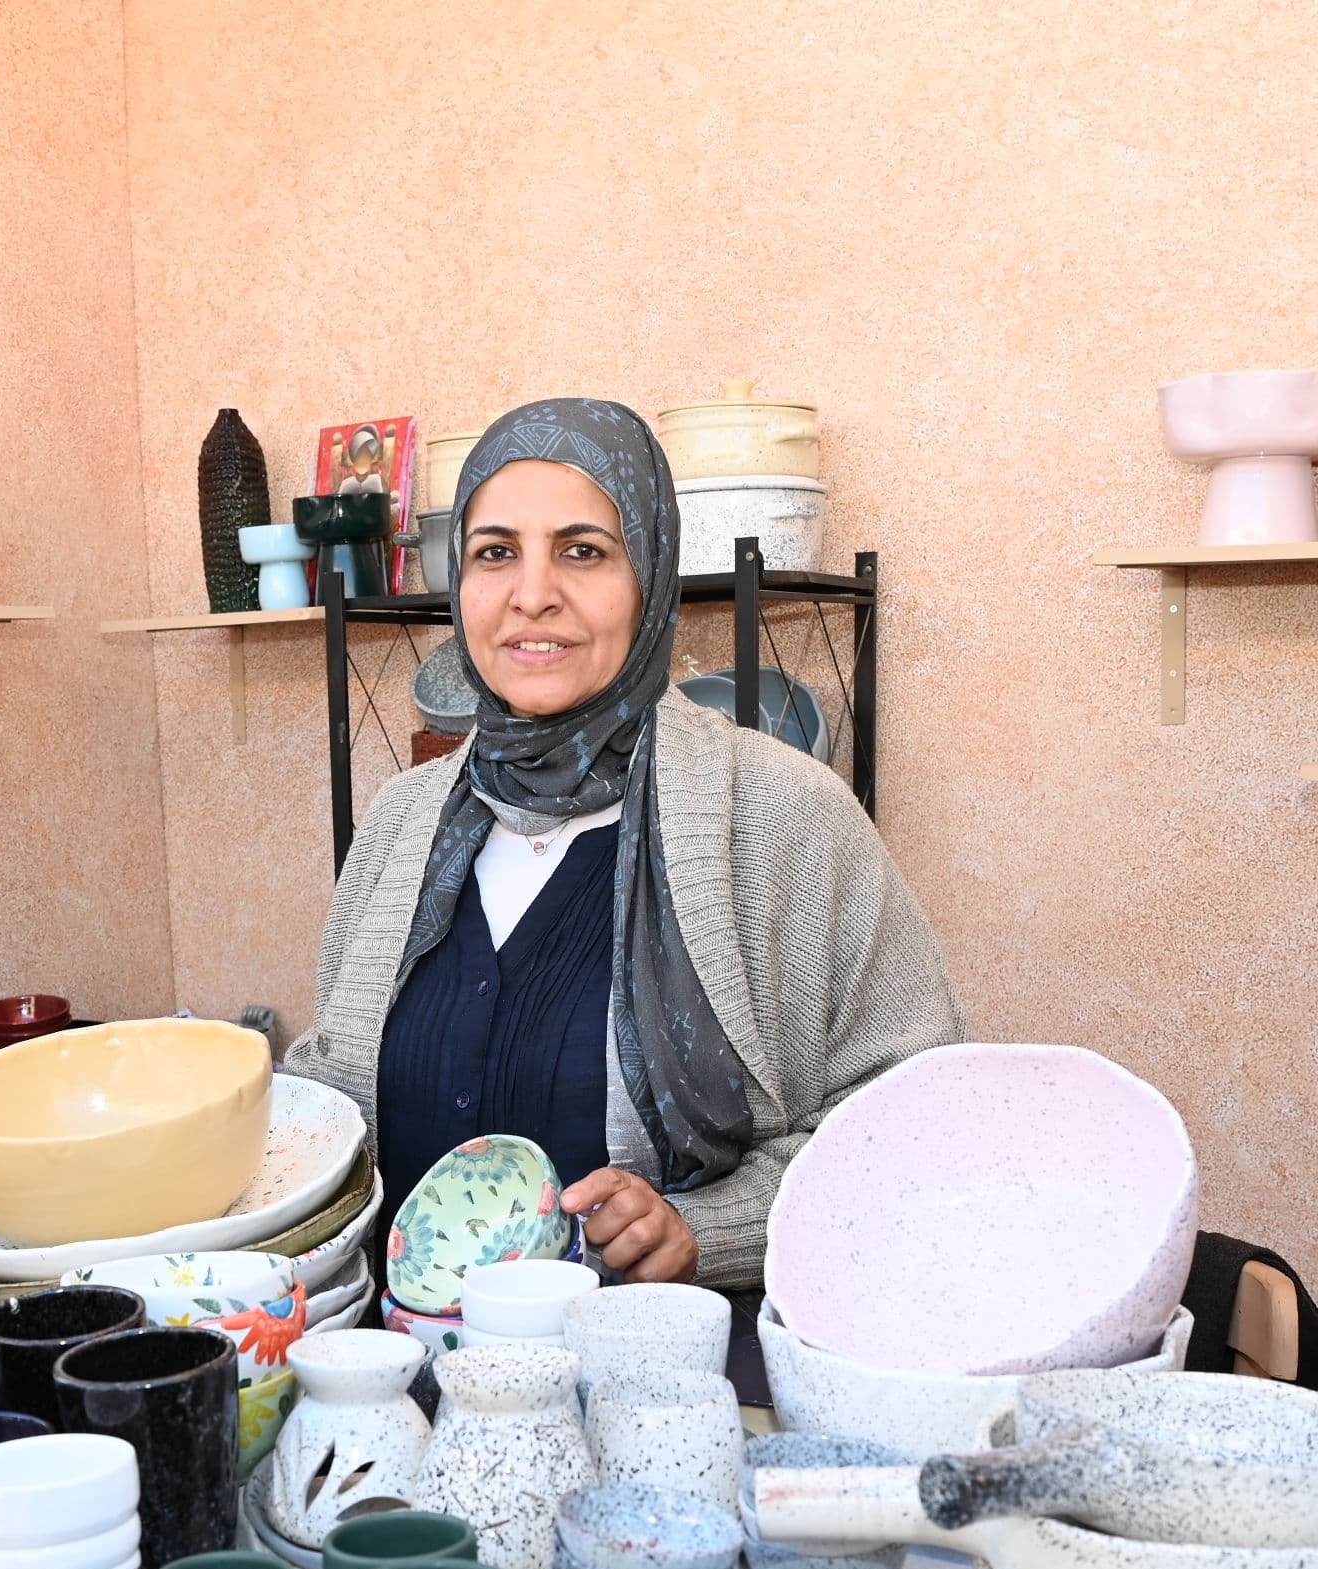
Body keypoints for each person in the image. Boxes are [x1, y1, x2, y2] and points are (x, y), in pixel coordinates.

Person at [284, 398, 964, 1290]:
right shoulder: (400, 825)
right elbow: (330, 1101)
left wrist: (703, 1226)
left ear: (651, 571)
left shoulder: (782, 815)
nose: (533, 594)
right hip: (398, 1379)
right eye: (495, 553)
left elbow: (919, 1123)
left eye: (582, 550)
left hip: (672, 1381)